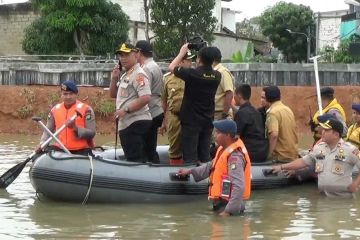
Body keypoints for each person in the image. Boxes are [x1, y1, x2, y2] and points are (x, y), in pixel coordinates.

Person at [177, 119, 251, 216]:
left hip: (228, 206)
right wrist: (190, 171)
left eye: (218, 132)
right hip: (222, 204)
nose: (214, 135)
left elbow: (239, 186)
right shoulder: (223, 149)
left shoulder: (235, 157)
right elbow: (211, 166)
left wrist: (228, 211)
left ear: (227, 135)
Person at [272, 119, 360, 198]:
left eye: (326, 130)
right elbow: (303, 162)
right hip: (323, 198)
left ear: (336, 134)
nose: (322, 132)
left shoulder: (350, 150)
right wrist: (281, 167)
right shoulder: (319, 148)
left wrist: (356, 184)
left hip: (343, 201)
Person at [168, 44, 221, 163]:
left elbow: (171, 67)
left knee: (190, 157)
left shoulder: (192, 74)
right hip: (207, 121)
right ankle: (207, 179)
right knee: (205, 155)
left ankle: (191, 178)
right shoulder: (217, 76)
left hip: (191, 122)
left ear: (199, 59)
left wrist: (182, 53)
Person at [109, 43, 152, 162]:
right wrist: (114, 78)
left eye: (126, 55)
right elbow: (113, 94)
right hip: (127, 123)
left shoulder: (138, 74)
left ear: (136, 55)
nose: (122, 58)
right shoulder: (126, 75)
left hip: (135, 122)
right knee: (131, 156)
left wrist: (125, 110)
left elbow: (146, 97)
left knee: (135, 159)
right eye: (121, 55)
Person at [35, 80, 96, 156]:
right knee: (38, 155)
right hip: (61, 148)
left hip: (81, 149)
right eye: (65, 94)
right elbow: (48, 131)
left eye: (71, 94)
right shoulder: (54, 110)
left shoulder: (87, 110)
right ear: (61, 95)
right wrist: (42, 143)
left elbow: (92, 133)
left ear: (76, 94)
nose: (68, 97)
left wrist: (75, 128)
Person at [159, 51, 195, 165]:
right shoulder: (168, 79)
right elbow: (164, 100)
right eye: (189, 60)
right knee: (174, 148)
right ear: (181, 62)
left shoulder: (194, 76)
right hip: (174, 117)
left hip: (191, 118)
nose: (191, 63)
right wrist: (163, 121)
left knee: (191, 147)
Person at [136, 40, 164, 163]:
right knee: (151, 144)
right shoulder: (155, 66)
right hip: (157, 108)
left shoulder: (146, 69)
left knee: (146, 147)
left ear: (139, 53)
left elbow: (143, 92)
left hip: (150, 111)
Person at [233, 84, 268, 162]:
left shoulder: (241, 113)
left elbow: (236, 137)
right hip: (262, 152)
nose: (233, 97)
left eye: (234, 95)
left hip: (249, 152)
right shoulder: (256, 112)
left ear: (239, 96)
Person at [263, 86, 298, 161]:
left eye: (263, 97)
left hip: (280, 157)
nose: (261, 100)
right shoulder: (288, 109)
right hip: (292, 155)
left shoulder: (272, 113)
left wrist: (268, 155)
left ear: (267, 98)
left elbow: (274, 135)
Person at [212, 47, 234, 120]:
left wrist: (224, 114)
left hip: (220, 113)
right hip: (212, 113)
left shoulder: (223, 72)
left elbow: (229, 93)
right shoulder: (213, 71)